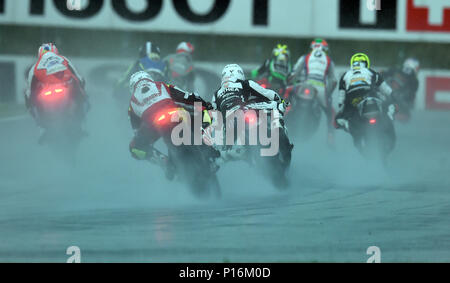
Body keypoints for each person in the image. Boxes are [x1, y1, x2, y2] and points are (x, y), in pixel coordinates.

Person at [127, 71, 213, 179]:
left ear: (132, 87)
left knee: (134, 148)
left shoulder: (132, 102)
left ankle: (164, 162)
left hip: (154, 124)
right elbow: (187, 96)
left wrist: (142, 141)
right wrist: (206, 105)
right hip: (175, 114)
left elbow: (136, 131)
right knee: (206, 113)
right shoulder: (161, 85)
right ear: (149, 79)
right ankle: (207, 145)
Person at [212, 64, 290, 161]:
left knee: (222, 151)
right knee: (276, 106)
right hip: (245, 111)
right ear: (240, 74)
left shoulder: (216, 94)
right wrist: (281, 101)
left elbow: (215, 118)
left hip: (229, 125)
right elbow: (268, 94)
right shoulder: (245, 83)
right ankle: (280, 130)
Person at [25, 43, 88, 139]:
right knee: (80, 96)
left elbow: (30, 90)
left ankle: (41, 127)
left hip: (48, 92)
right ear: (56, 52)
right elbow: (78, 77)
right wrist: (82, 90)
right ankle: (81, 123)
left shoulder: (34, 68)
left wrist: (30, 104)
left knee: (32, 101)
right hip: (63, 88)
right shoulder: (64, 59)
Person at [335, 53, 396, 148]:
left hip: (352, 100)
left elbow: (341, 99)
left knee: (342, 119)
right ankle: (389, 119)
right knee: (387, 107)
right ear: (366, 63)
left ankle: (349, 127)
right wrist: (393, 97)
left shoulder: (345, 75)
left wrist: (341, 113)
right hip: (369, 94)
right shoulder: (371, 71)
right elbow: (386, 89)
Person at [288, 38, 338, 145]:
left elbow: (294, 74)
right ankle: (330, 138)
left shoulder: (305, 57)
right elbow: (333, 81)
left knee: (286, 96)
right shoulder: (329, 60)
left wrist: (288, 83)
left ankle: (279, 121)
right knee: (331, 112)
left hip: (305, 85)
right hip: (320, 89)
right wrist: (328, 93)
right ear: (325, 49)